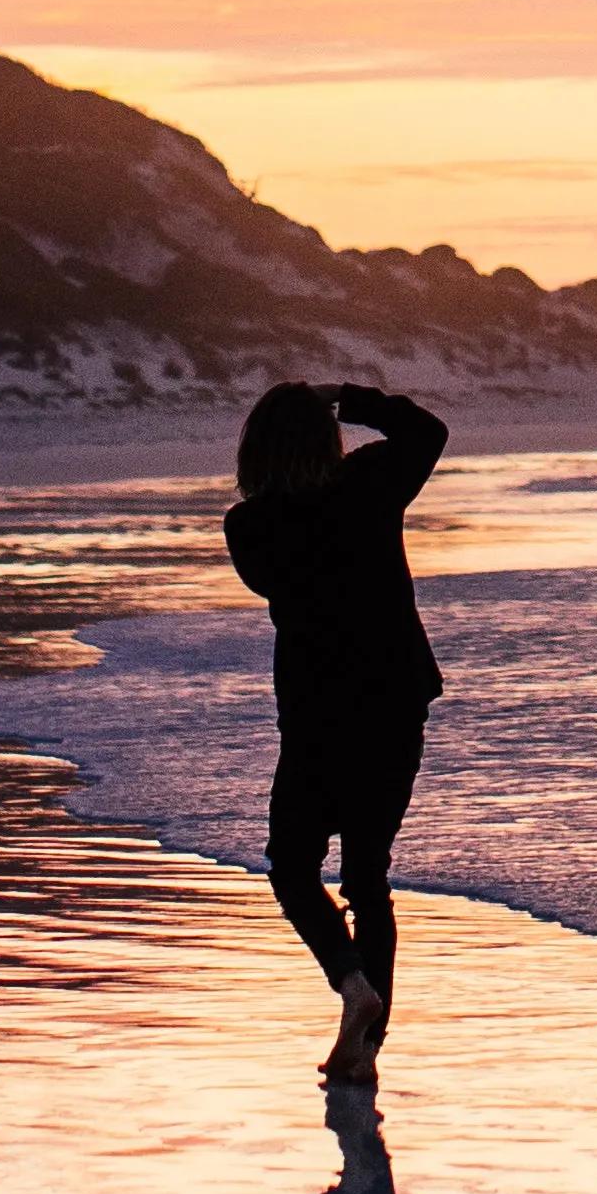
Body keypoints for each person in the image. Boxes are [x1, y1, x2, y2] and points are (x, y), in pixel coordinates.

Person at [223, 377, 449, 1085]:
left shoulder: (250, 526)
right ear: (327, 439)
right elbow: (428, 434)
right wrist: (350, 396)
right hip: (392, 704)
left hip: (318, 718)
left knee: (292, 868)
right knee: (367, 877)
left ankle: (352, 985)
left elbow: (277, 581)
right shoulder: (370, 483)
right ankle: (368, 1050)